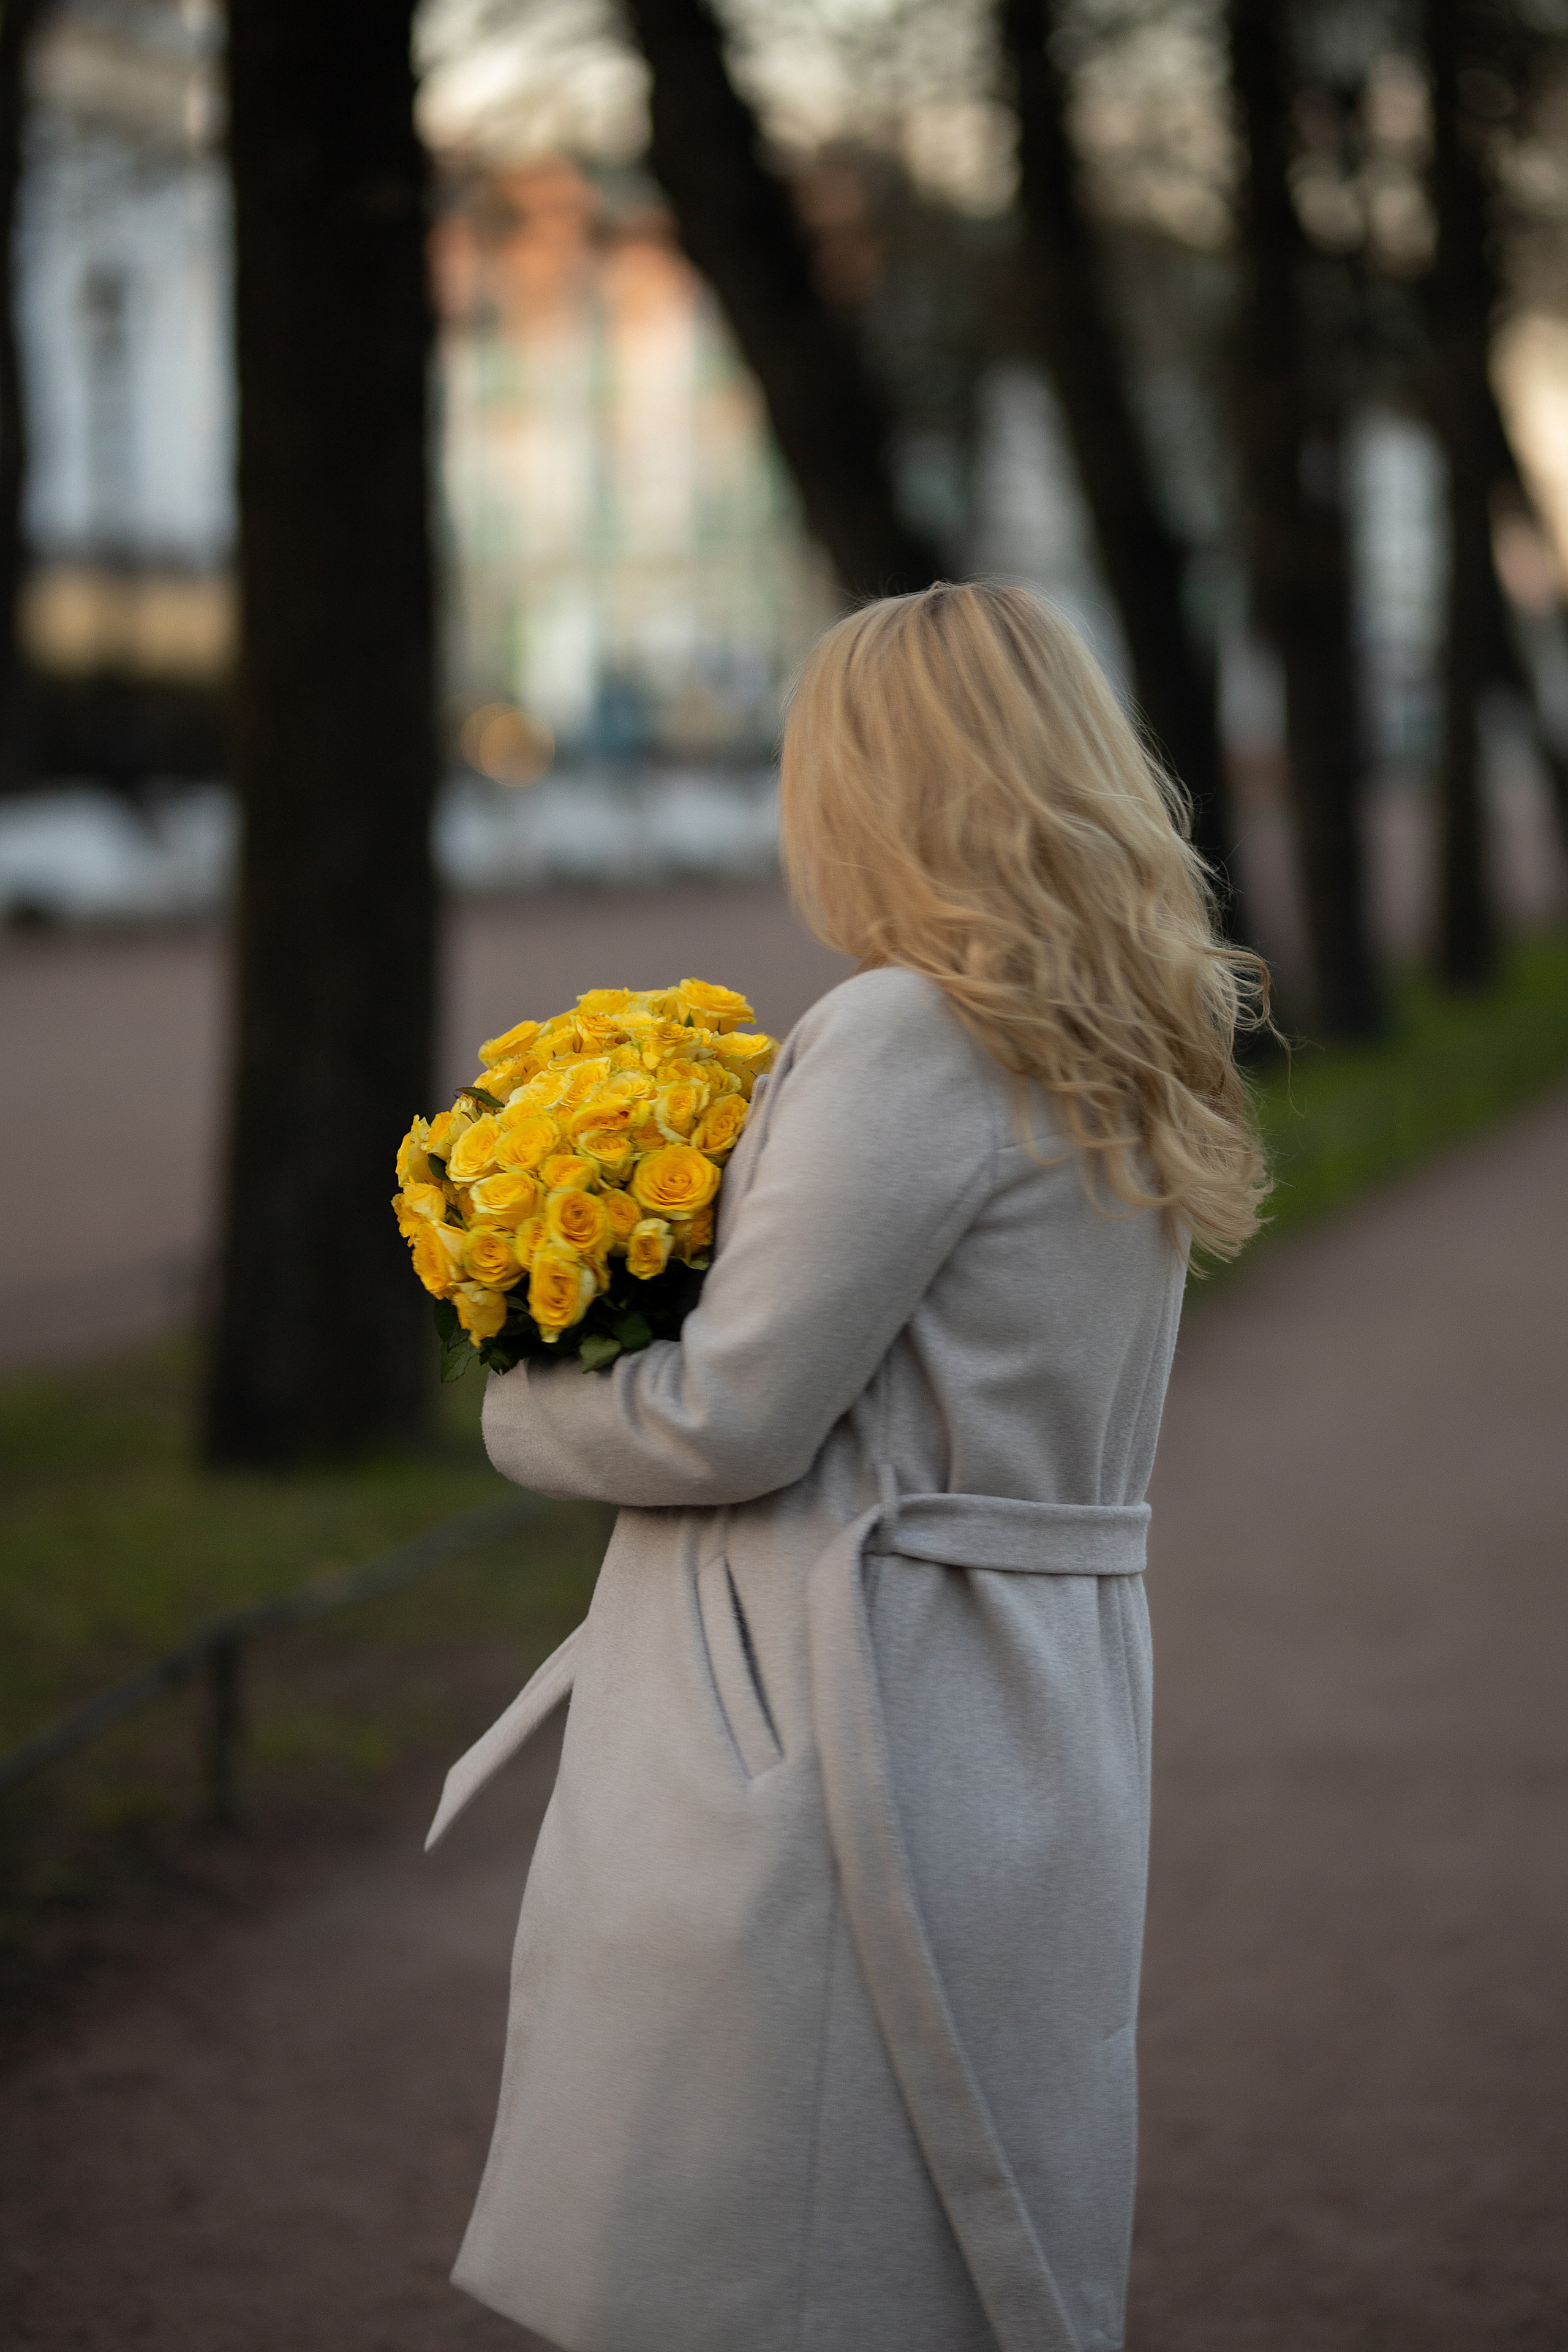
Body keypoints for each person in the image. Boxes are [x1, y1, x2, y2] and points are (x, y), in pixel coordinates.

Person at [426, 582, 1269, 2352]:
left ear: (872, 784)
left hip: (836, 1704)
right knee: (943, 2225)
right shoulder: (1137, 1036)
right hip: (1031, 1696)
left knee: (765, 2252)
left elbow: (733, 1415)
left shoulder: (908, 1033)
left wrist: (524, 1397)